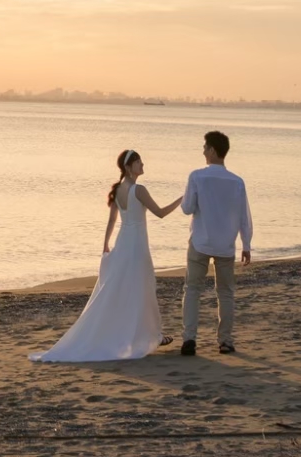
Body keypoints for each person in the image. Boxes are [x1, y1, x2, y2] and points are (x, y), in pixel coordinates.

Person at [30, 149, 182, 362]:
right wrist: (182, 199)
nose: (143, 165)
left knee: (125, 288)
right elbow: (161, 213)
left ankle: (150, 334)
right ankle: (151, 335)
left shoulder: (118, 189)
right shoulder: (138, 190)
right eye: (139, 162)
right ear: (129, 167)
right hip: (137, 245)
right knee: (142, 287)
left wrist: (106, 244)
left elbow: (112, 221)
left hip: (123, 242)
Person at [178, 129, 252, 356]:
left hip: (200, 241)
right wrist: (246, 245)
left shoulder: (197, 176)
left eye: (204, 147)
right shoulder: (237, 182)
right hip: (226, 244)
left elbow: (187, 208)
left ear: (211, 150)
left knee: (192, 289)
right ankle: (225, 341)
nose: (202, 151)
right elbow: (244, 216)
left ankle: (189, 338)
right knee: (226, 293)